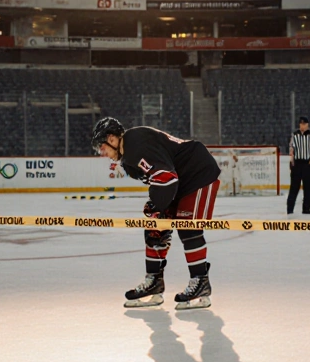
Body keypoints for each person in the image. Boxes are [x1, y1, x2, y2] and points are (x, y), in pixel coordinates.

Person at [93, 117, 222, 310]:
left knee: (189, 229)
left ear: (112, 139)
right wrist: (156, 209)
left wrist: (156, 205)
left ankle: (200, 281)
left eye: (102, 147)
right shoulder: (129, 154)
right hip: (179, 183)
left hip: (198, 174)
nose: (103, 154)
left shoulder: (135, 146)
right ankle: (154, 281)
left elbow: (166, 179)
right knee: (154, 228)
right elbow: (163, 180)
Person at [286, 116, 310, 215]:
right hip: (297, 163)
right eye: (301, 124)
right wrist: (291, 161)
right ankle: (290, 209)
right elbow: (291, 148)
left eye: (304, 124)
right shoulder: (295, 134)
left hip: (307, 163)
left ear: (307, 125)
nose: (302, 126)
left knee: (308, 187)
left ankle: (306, 208)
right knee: (294, 187)